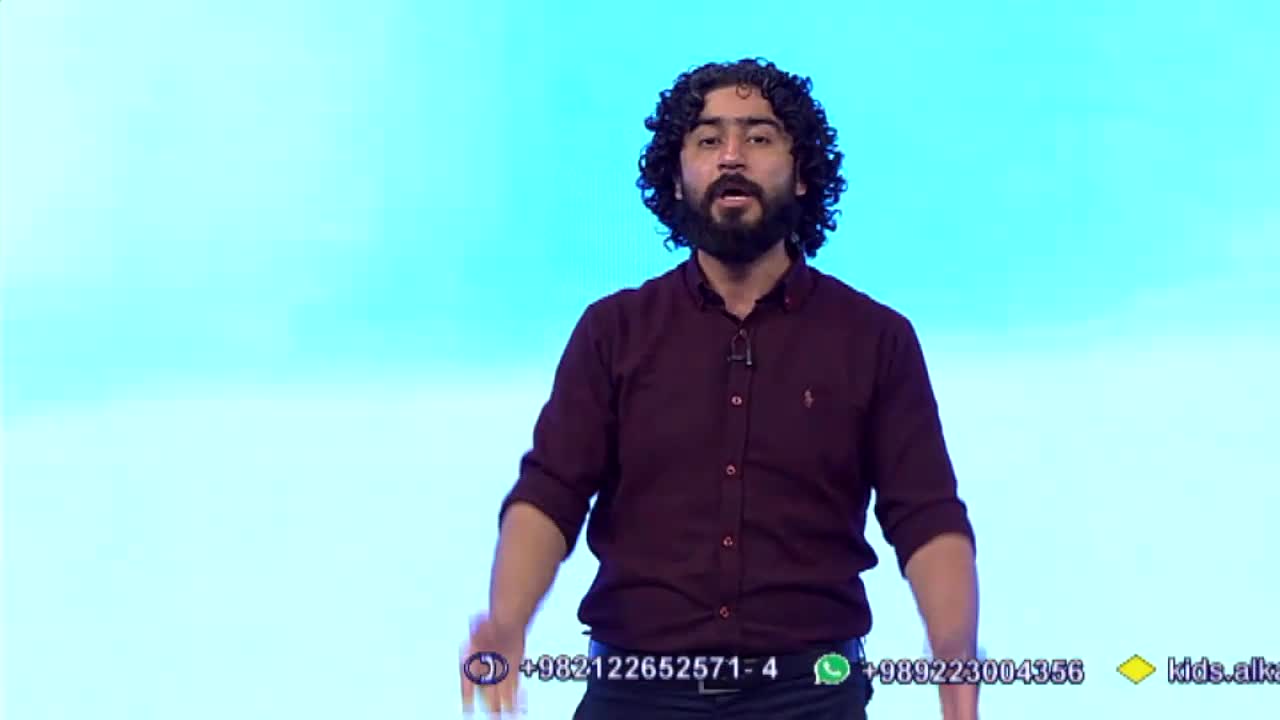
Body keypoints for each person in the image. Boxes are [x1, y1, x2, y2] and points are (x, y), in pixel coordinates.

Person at [460, 57, 980, 720]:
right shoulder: (613, 332)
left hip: (811, 694)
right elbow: (550, 494)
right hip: (635, 692)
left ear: (802, 172)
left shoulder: (875, 339)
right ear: (676, 179)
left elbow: (926, 516)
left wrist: (954, 654)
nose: (732, 156)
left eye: (759, 137)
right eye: (708, 140)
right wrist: (507, 621)